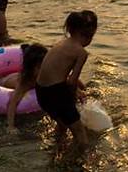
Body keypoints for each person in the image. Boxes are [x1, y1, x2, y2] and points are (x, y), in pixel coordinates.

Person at [35, 10, 97, 154]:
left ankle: (57, 149)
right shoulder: (81, 52)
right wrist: (76, 95)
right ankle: (84, 160)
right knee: (80, 133)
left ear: (70, 29)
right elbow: (71, 81)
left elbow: (57, 71)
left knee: (62, 124)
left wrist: (75, 90)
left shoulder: (60, 44)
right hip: (56, 92)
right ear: (91, 34)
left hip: (41, 90)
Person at [0, 43, 48, 134]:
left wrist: (78, 90)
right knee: (2, 79)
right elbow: (12, 104)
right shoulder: (25, 83)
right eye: (39, 67)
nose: (43, 69)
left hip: (15, 75)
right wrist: (11, 126)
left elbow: (64, 77)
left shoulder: (46, 73)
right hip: (5, 80)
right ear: (31, 68)